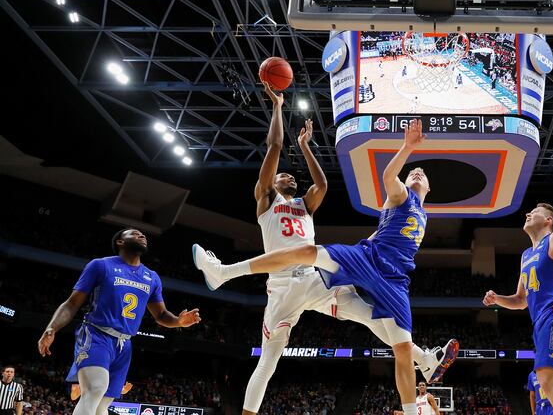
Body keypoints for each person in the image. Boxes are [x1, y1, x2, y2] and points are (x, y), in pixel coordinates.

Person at [193, 119, 459, 415]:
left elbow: (322, 185)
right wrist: (279, 110)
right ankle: (223, 273)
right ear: (273, 185)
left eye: (290, 176)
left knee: (373, 318)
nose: (288, 177)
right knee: (268, 360)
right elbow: (276, 146)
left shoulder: (305, 206)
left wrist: (306, 147)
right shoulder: (267, 201)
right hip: (283, 284)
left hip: (320, 280)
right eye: (283, 176)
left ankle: (423, 359)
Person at [37, 229, 201, 415]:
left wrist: (178, 322)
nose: (142, 236)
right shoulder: (100, 266)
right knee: (95, 390)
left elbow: (161, 315)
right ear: (120, 242)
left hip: (124, 344)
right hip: (96, 334)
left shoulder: (152, 277)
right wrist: (52, 327)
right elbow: (72, 303)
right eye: (135, 233)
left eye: (143, 235)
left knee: (102, 405)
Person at [482, 203, 553, 415]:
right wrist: (498, 299)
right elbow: (521, 300)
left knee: (547, 380)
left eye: (534, 212)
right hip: (541, 322)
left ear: (548, 220)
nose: (528, 214)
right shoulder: (525, 255)